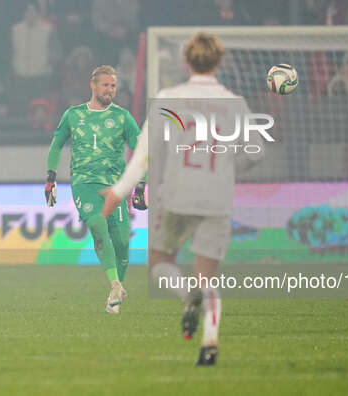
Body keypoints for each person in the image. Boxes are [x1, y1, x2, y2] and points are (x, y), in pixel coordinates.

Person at [100, 32, 264, 366]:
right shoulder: (235, 102)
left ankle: (186, 293)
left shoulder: (169, 97)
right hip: (216, 197)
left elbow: (144, 156)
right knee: (209, 276)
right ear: (219, 62)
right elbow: (256, 153)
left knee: (161, 263)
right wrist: (230, 166)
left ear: (186, 61)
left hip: (177, 195)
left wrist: (118, 191)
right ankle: (210, 344)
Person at [45, 65, 140, 314]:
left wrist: (140, 184)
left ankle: (116, 289)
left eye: (113, 86)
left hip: (115, 186)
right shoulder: (73, 115)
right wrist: (51, 178)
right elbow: (56, 146)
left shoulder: (122, 117)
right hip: (84, 183)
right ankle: (115, 284)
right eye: (105, 85)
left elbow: (142, 152)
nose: (110, 90)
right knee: (98, 226)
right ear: (93, 86)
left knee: (121, 241)